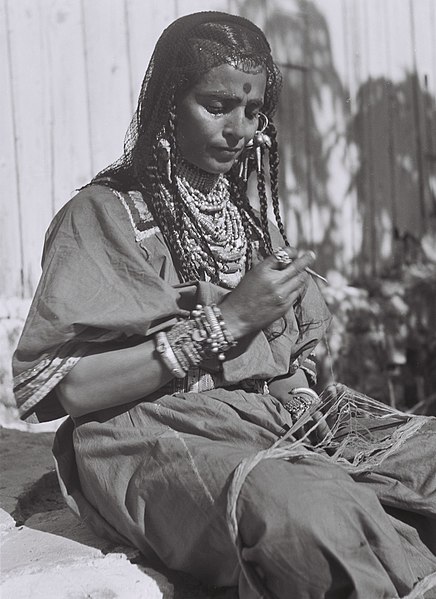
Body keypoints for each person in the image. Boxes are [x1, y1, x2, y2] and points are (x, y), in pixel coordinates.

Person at [12, 11, 436, 599]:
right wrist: (229, 320)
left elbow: (286, 365)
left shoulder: (249, 219)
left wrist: (312, 411)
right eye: (216, 106)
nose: (240, 129)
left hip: (269, 421)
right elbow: (70, 390)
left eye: (253, 111)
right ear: (168, 103)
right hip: (148, 432)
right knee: (306, 515)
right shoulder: (101, 215)